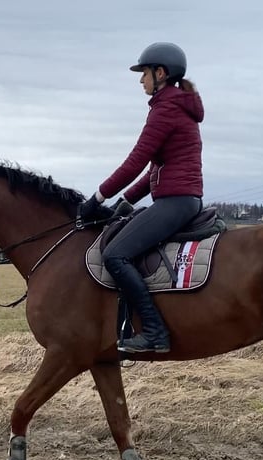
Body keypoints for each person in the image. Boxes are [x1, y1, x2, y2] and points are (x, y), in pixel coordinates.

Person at [78, 41, 204, 353]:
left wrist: (97, 197)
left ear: (160, 73)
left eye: (144, 73)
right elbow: (153, 171)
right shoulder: (176, 106)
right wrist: (126, 201)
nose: (140, 80)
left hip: (175, 201)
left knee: (115, 255)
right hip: (178, 198)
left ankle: (154, 333)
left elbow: (135, 161)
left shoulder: (167, 109)